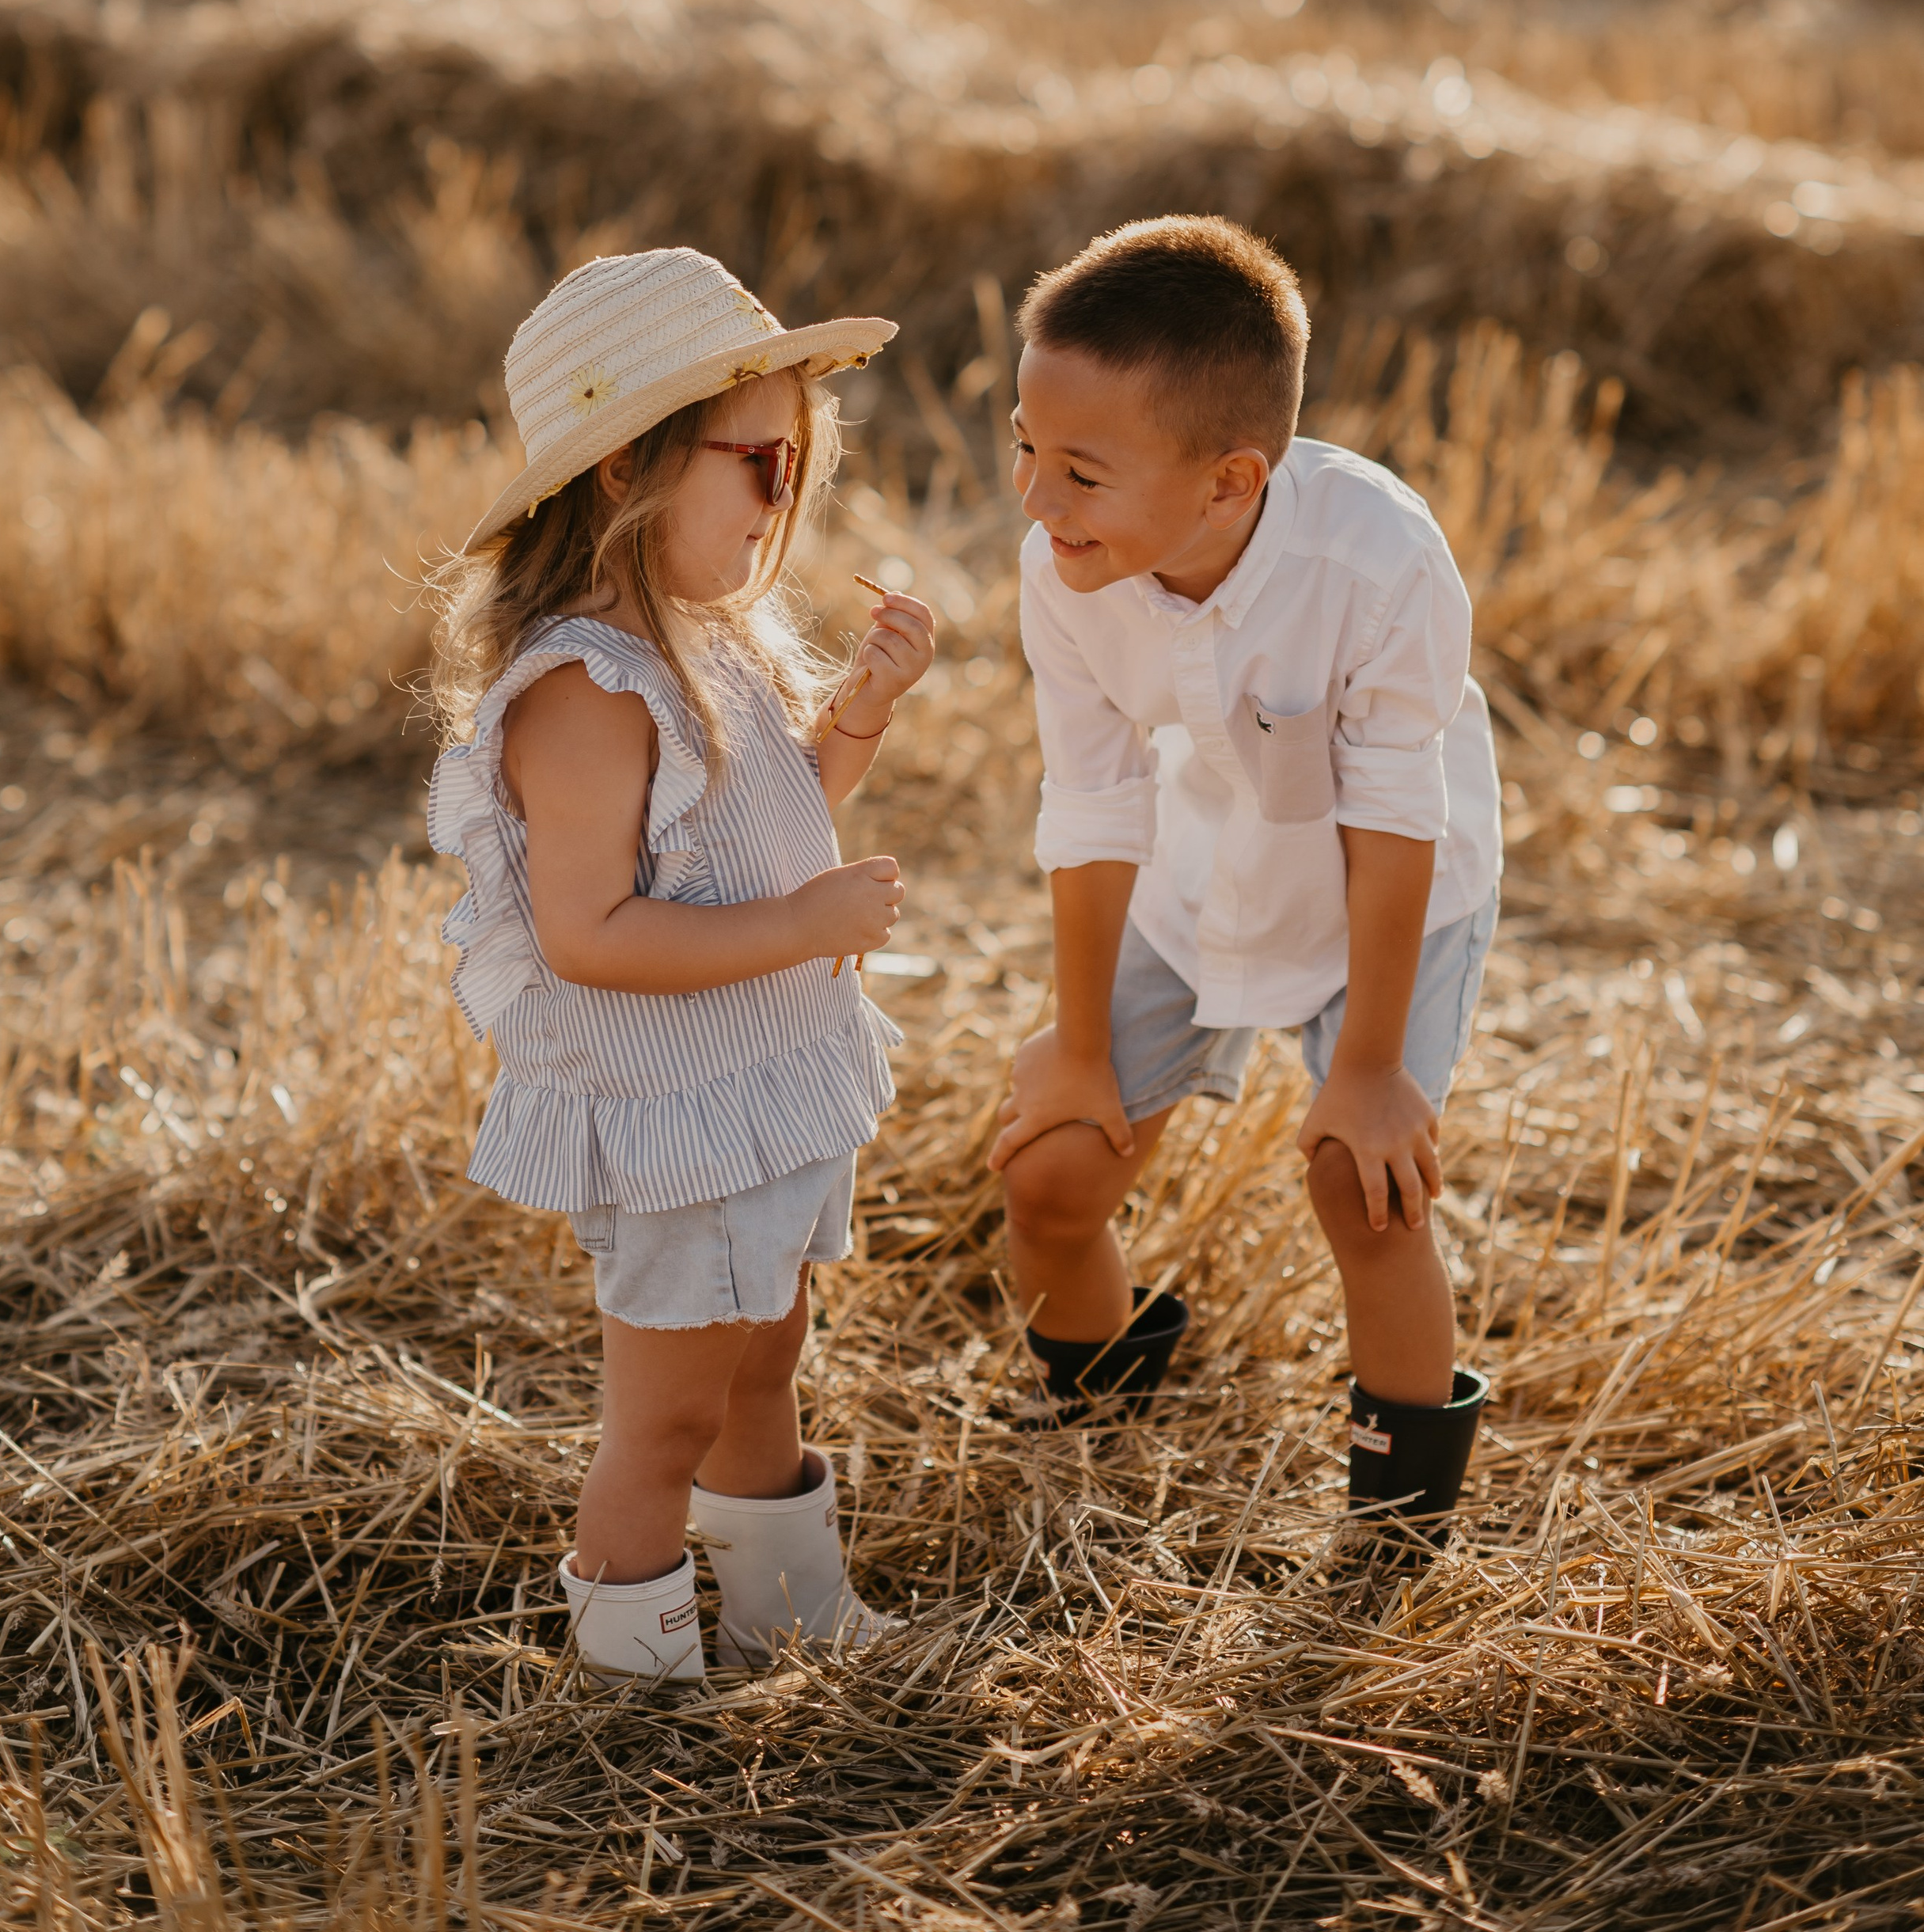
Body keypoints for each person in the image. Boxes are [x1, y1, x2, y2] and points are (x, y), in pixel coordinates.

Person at [429, 247, 935, 1680]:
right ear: (625, 470)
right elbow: (590, 933)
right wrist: (803, 929)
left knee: (766, 1358)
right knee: (662, 1421)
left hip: (757, 1081)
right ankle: (631, 1679)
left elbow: (755, 837)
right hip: (680, 1118)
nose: (785, 503)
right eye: (760, 466)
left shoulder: (711, 641)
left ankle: (789, 1613)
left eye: (799, 467)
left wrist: (858, 718)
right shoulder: (587, 690)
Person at [990, 215, 1501, 1558]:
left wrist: (1370, 1070)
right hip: (1200, 860)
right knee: (1052, 1171)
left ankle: (1396, 1536)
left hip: (1395, 886)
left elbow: (1396, 810)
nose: (1036, 501)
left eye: (1081, 473)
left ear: (1230, 483)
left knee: (1360, 1183)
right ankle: (1097, 1423)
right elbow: (1095, 800)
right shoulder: (1066, 569)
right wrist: (1079, 1046)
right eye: (1024, 448)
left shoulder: (1378, 559)